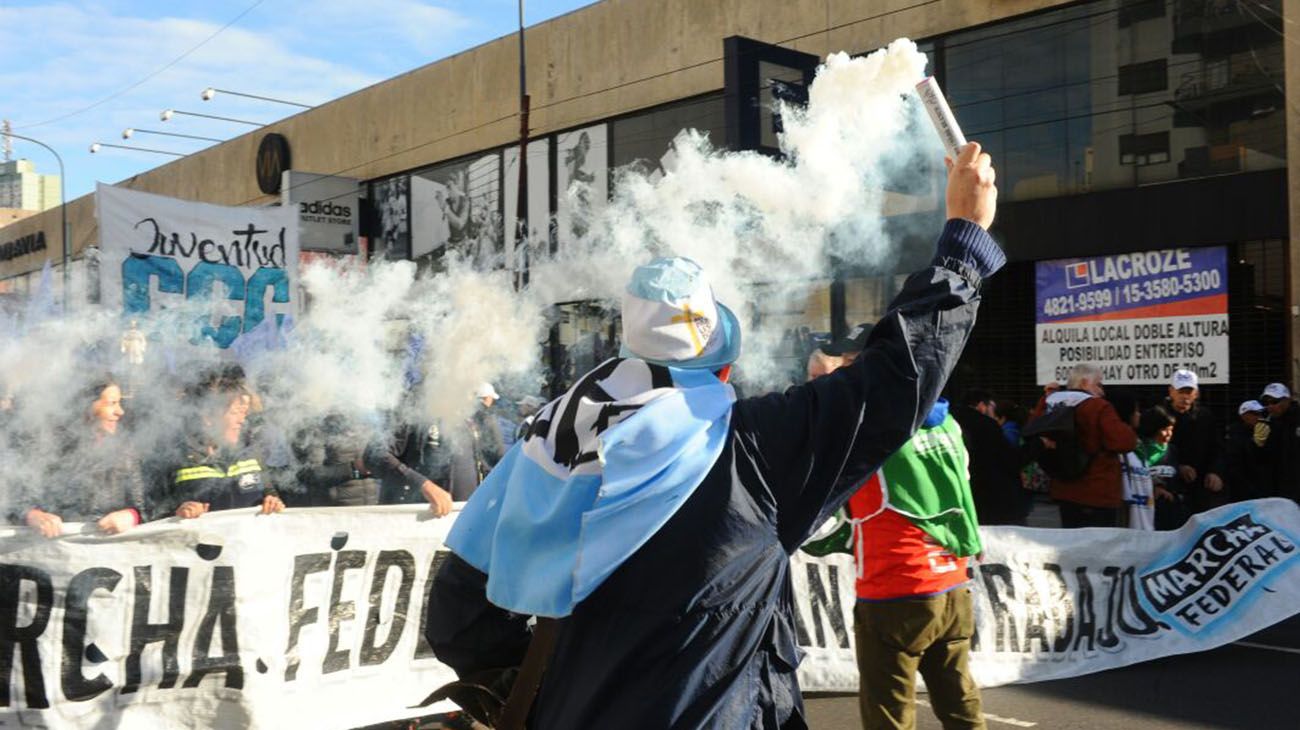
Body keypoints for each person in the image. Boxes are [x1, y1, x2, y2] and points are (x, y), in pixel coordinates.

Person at [425, 141, 1001, 729]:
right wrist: (963, 241)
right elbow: (896, 378)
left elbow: (457, 614)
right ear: (720, 361)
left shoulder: (547, 436)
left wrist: (556, 683)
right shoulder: (752, 448)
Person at [846, 398, 985, 729]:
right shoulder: (949, 425)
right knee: (960, 701)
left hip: (894, 584)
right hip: (951, 579)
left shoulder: (869, 431)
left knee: (889, 713)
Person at [21, 374, 146, 537]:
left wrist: (131, 515)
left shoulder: (125, 451)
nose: (120, 411)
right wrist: (33, 515)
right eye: (112, 403)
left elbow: (147, 505)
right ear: (86, 406)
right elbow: (15, 499)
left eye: (119, 403)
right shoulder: (49, 447)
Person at [156, 372, 285, 520]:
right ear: (208, 418)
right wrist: (179, 511)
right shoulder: (175, 458)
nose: (242, 420)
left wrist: (273, 502)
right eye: (236, 412)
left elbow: (270, 492)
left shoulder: (251, 452)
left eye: (244, 413)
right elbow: (155, 512)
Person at [1029, 364, 1137, 528]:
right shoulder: (1098, 407)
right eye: (1099, 385)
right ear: (1085, 383)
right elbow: (1124, 441)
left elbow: (1032, 430)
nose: (1102, 391)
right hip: (1098, 492)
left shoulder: (1049, 402)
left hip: (1063, 489)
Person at [951, 388, 1026, 525]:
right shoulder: (987, 425)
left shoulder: (949, 422)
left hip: (959, 494)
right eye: (992, 406)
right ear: (981, 406)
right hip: (993, 497)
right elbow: (1010, 459)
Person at [1163, 369, 1226, 512]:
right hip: (1168, 487)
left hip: (1199, 488)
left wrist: (1215, 472)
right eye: (1180, 391)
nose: (1184, 397)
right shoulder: (1159, 415)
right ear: (1171, 391)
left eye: (1189, 392)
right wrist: (1177, 466)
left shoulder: (1205, 417)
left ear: (1196, 394)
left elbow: (1216, 447)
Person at [447, 383, 506, 500]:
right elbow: (499, 451)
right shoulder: (488, 418)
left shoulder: (462, 416)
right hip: (483, 476)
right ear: (487, 398)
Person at [1135, 405, 1185, 530]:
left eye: (1171, 429)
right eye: (1164, 429)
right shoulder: (1140, 450)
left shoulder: (1172, 450)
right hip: (1148, 511)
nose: (1168, 434)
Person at [1260, 383, 1300, 502]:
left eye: (1274, 401)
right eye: (1266, 403)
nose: (1270, 406)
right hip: (1279, 488)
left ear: (1286, 400)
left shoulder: (1296, 419)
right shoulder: (1268, 424)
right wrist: (1257, 444)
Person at [1226, 400, 1272, 502]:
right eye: (1255, 414)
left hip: (1261, 486)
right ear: (1244, 416)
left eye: (1261, 414)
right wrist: (1253, 443)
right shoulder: (1234, 433)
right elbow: (1236, 461)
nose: (1259, 417)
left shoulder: (1263, 430)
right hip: (1241, 489)